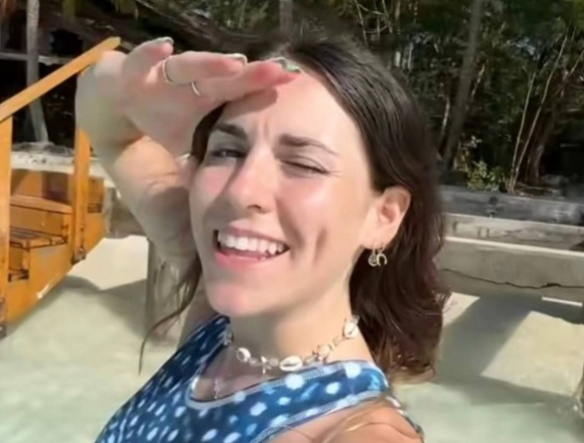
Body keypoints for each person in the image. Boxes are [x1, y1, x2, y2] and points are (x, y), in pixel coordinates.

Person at [75, 26, 448, 443]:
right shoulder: (217, 327)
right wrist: (132, 89)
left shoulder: (357, 433)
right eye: (228, 151)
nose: (241, 191)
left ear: (384, 216)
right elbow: (106, 120)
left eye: (303, 164)